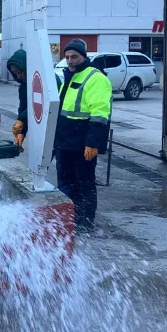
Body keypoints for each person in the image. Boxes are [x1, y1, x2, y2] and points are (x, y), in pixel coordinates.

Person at [53, 39, 112, 229]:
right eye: (67, 56)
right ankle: (70, 221)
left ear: (84, 57)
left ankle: (85, 223)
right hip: (66, 142)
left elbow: (100, 113)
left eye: (75, 57)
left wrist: (93, 143)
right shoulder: (69, 77)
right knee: (66, 184)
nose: (70, 60)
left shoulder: (96, 78)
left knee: (84, 184)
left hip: (82, 144)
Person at [7, 49, 28, 151]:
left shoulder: (45, 81)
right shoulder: (23, 86)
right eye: (15, 73)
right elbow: (24, 108)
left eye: (20, 72)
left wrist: (21, 119)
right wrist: (21, 132)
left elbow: (39, 107)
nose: (18, 76)